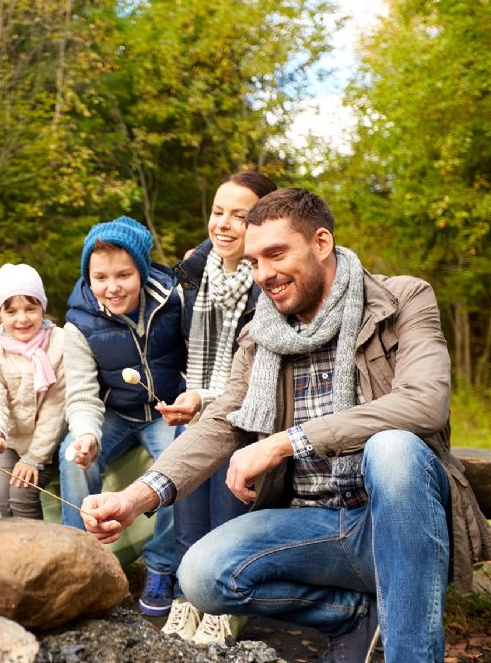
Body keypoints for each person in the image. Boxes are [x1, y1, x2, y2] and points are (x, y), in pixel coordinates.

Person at [80, 188, 491, 661]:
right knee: (201, 574)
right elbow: (221, 420)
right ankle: (350, 617)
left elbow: (424, 405)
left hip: (397, 520)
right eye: (254, 261)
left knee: (393, 449)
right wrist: (134, 498)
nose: (264, 275)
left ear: (321, 242)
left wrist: (286, 442)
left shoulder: (402, 298)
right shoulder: (261, 332)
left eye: (276, 254)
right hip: (311, 525)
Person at [158, 170, 277, 644]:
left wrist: (204, 399)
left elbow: (256, 374)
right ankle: (188, 598)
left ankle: (225, 604)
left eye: (240, 217)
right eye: (217, 211)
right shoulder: (193, 273)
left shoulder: (268, 284)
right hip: (193, 407)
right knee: (187, 513)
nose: (224, 225)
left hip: (246, 415)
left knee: (225, 520)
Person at [59, 216, 186, 616]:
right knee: (75, 459)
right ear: (89, 277)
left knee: (178, 464)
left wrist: (188, 401)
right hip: (114, 413)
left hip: (166, 411)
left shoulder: (175, 301)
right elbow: (81, 394)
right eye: (100, 277)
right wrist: (86, 435)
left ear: (142, 271)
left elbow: (196, 360)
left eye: (123, 275)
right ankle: (80, 562)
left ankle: (162, 567)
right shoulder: (78, 323)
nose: (112, 287)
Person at [0, 263, 66, 519]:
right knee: (0, 498)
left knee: (21, 491)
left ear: (42, 309)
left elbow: (55, 409)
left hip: (49, 444)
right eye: (12, 311)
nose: (22, 318)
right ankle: (2, 553)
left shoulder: (60, 345)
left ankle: (33, 556)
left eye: (30, 308)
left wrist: (34, 458)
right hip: (12, 441)